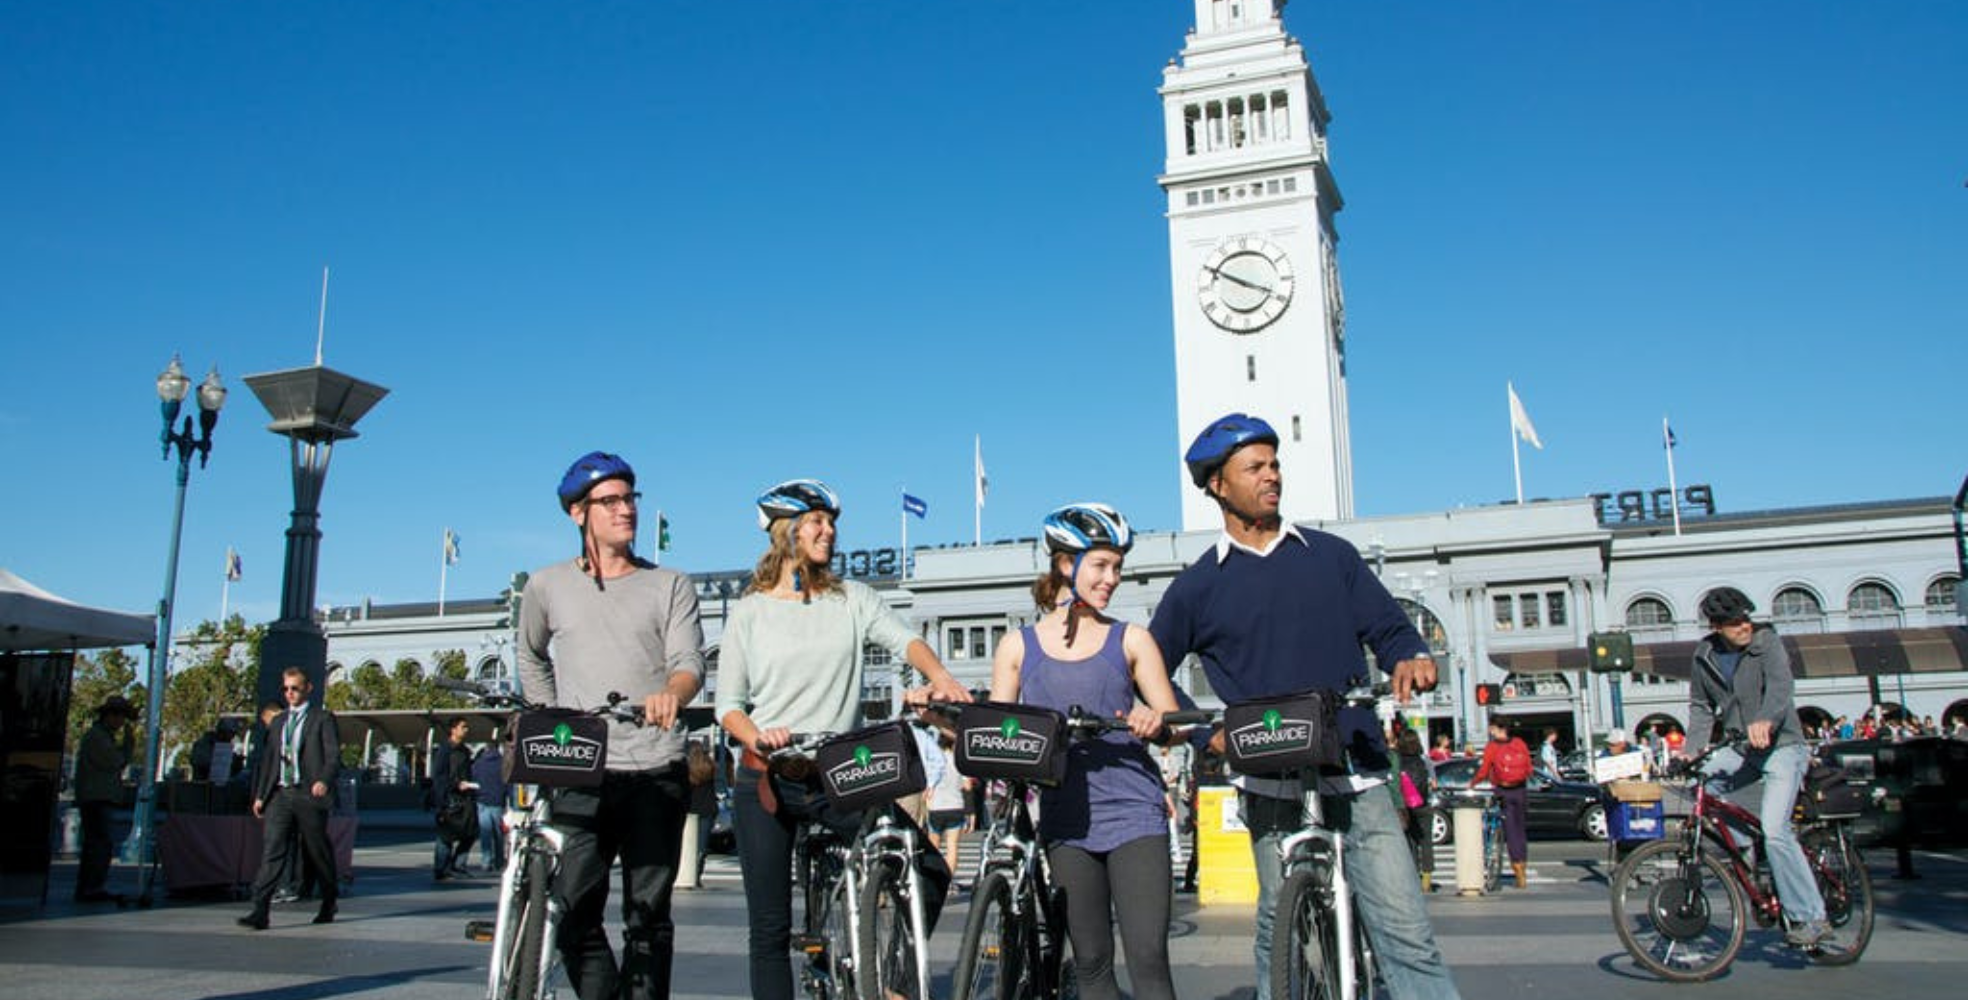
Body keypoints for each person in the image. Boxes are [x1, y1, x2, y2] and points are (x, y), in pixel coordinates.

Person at [1148, 413, 1461, 1000]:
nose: (1272, 476)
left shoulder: (1331, 556)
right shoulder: (1197, 586)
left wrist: (1411, 656)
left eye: (1275, 464)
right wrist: (1200, 734)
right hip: (1269, 780)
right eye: (1255, 467)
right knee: (1278, 926)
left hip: (1358, 775)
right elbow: (1147, 668)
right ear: (1218, 485)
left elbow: (1390, 629)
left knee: (1406, 933)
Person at [714, 479, 970, 1000]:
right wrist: (758, 737)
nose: (828, 530)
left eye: (831, 522)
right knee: (768, 930)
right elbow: (729, 707)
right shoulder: (749, 611)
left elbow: (906, 640)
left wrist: (940, 676)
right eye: (816, 521)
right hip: (768, 777)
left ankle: (890, 980)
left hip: (836, 772)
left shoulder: (852, 599)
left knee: (924, 868)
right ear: (785, 532)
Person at [517, 450, 705, 1000]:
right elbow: (530, 654)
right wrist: (552, 716)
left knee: (648, 921)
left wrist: (672, 695)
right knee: (572, 911)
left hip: (654, 769)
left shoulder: (670, 584)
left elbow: (689, 662)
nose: (626, 510)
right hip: (581, 772)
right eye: (611, 501)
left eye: (630, 499)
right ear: (579, 513)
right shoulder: (546, 586)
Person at [988, 502, 1186, 1000]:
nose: (1112, 578)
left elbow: (1175, 722)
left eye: (1117, 566)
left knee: (1148, 960)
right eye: (1101, 565)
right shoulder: (1017, 647)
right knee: (1092, 962)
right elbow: (995, 735)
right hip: (1066, 820)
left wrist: (1156, 723)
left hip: (1134, 813)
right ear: (1064, 565)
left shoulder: (1131, 639)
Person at [1678, 586, 1830, 947]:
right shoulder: (1704, 657)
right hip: (1742, 747)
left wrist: (1765, 719)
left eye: (1745, 617)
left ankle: (1811, 917)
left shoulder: (1767, 643)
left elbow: (1781, 687)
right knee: (1706, 786)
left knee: (1777, 830)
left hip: (1782, 745)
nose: (1744, 626)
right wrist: (1690, 751)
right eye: (1734, 622)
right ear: (1716, 626)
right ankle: (1746, 851)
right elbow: (1701, 708)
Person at [239, 667, 340, 929]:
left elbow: (332, 756)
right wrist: (261, 795)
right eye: (286, 689)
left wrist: (323, 781)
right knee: (273, 849)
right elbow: (269, 760)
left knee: (316, 851)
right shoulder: (279, 721)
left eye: (295, 688)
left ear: (308, 688)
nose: (290, 693)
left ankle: (329, 899)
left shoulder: (322, 718)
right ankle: (260, 909)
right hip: (281, 794)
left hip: (308, 793)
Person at [73, 694, 134, 902]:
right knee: (98, 844)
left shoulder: (103, 737)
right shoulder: (97, 737)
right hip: (96, 798)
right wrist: (128, 745)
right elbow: (115, 761)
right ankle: (91, 887)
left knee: (99, 844)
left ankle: (92, 886)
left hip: (99, 797)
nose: (121, 721)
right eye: (118, 716)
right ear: (108, 716)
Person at [1471, 718, 1530, 888]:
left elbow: (1483, 771)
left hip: (1503, 791)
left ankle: (1517, 870)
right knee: (1520, 831)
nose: (1489, 730)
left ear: (1497, 728)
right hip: (1520, 790)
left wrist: (1473, 783)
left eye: (1491, 727)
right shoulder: (1520, 743)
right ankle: (1522, 869)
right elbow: (1529, 769)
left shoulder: (1492, 747)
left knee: (1510, 831)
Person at [432, 717, 478, 879]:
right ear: (453, 729)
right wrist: (456, 785)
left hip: (465, 799)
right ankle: (441, 869)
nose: (466, 730)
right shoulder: (445, 750)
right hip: (449, 799)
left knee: (471, 833)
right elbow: (439, 776)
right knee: (446, 836)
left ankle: (458, 865)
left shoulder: (464, 751)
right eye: (463, 727)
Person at [1395, 728, 1436, 892]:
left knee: (1409, 841)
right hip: (1423, 804)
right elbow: (1434, 783)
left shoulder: (1397, 761)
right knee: (1426, 841)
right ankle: (1427, 879)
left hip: (1405, 807)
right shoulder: (1424, 760)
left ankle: (1413, 876)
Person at [470, 738, 508, 873]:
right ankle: (499, 861)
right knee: (498, 834)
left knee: (485, 833)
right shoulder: (503, 763)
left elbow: (473, 779)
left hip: (482, 800)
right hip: (497, 801)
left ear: (486, 748)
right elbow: (507, 783)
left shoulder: (478, 763)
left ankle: (486, 861)